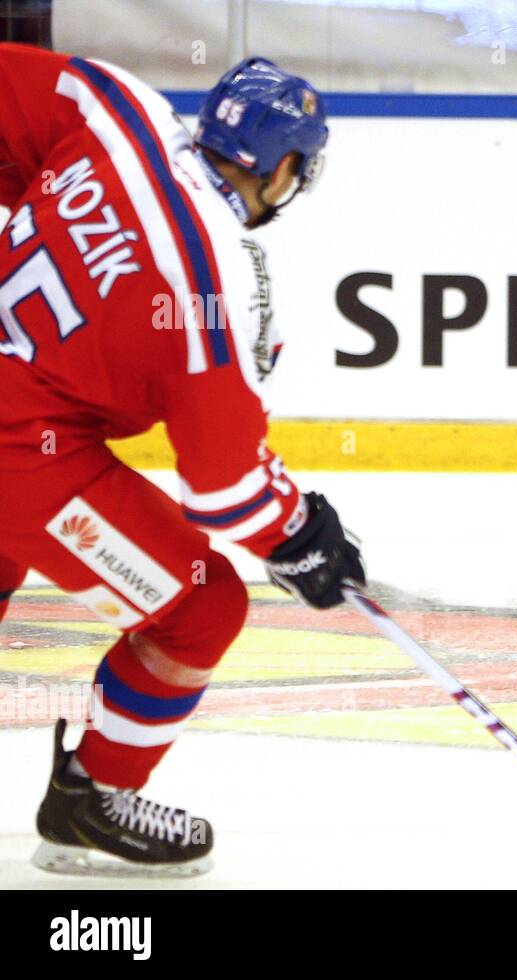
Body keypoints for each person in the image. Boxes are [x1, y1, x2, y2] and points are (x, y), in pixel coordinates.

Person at [0, 45, 366, 875]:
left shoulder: (113, 109)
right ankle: (92, 796)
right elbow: (225, 487)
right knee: (202, 608)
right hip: (19, 451)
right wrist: (301, 530)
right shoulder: (209, 281)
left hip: (26, 424)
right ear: (280, 171)